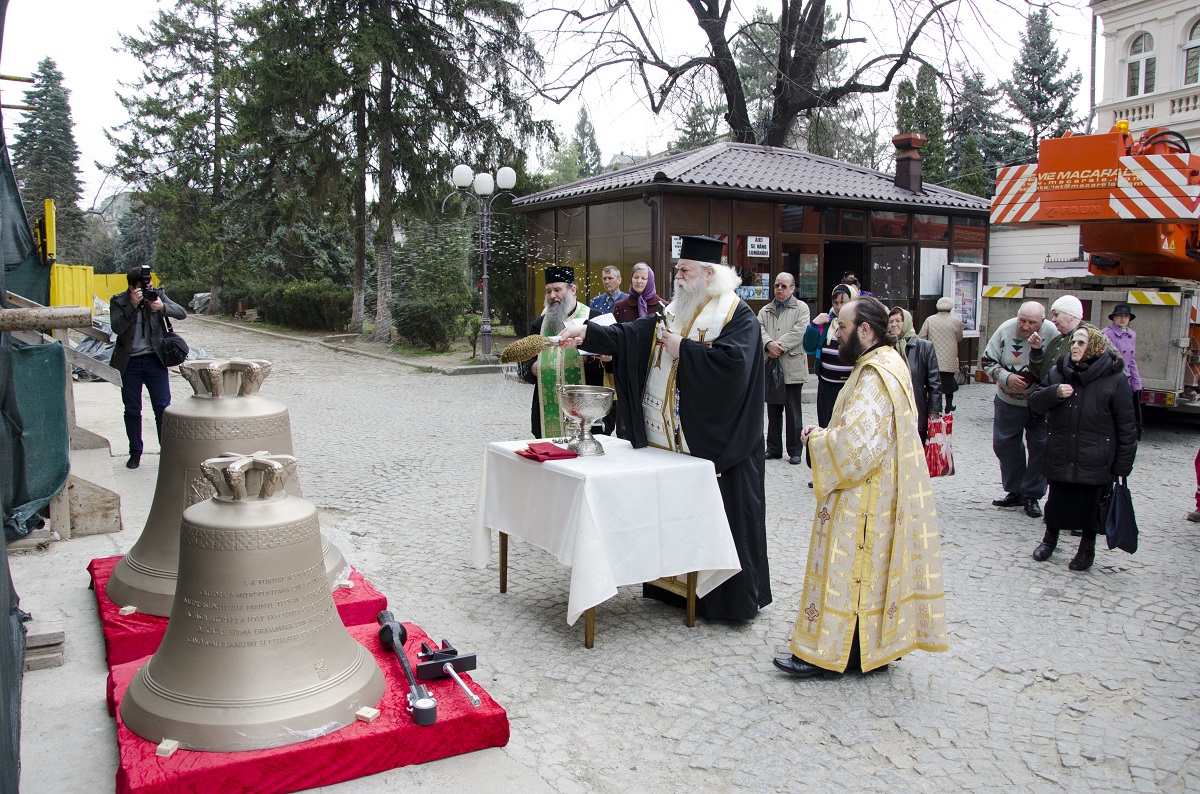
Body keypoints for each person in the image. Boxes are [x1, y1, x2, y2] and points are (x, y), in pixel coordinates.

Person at [556, 235, 771, 621]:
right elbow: (634, 335)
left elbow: (734, 367)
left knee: (726, 517)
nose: (677, 277)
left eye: (684, 270)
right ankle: (674, 592)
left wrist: (684, 351)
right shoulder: (675, 309)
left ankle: (725, 603)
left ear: (709, 274)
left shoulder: (737, 315)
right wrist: (588, 333)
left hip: (719, 443)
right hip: (673, 441)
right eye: (676, 270)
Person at [774, 296, 947, 679]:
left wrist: (816, 440)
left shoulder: (873, 375)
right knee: (871, 575)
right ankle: (869, 648)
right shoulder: (888, 363)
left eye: (842, 327)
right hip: (883, 489)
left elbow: (854, 447)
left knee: (850, 571)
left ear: (864, 331)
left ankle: (831, 654)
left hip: (863, 496)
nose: (836, 334)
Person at [1029, 326, 1137, 571]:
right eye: (1073, 342)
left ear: (1096, 347)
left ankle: (1087, 549)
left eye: (1081, 343)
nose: (1074, 346)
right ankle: (1049, 540)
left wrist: (1122, 465)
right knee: (1056, 502)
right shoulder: (1059, 372)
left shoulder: (1114, 378)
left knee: (1091, 506)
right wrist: (1053, 393)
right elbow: (1034, 403)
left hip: (1095, 457)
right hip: (1061, 451)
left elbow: (1127, 426)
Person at [981, 301, 1057, 519]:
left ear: (1042, 321)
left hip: (1040, 404)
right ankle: (1015, 490)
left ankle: (1033, 494)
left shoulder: (1051, 333)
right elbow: (987, 360)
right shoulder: (1006, 329)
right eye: (1022, 320)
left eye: (1031, 322)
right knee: (1005, 445)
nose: (1025, 326)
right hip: (1008, 401)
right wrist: (1006, 377)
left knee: (1040, 448)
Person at [109, 266, 188, 469]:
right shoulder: (119, 300)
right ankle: (135, 452)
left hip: (155, 360)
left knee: (162, 408)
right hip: (129, 363)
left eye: (149, 286)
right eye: (141, 288)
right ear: (131, 288)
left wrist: (161, 307)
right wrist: (132, 306)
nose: (147, 291)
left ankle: (167, 452)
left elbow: (182, 313)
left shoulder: (157, 296)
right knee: (133, 410)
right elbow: (116, 328)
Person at [517, 266, 603, 438]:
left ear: (572, 290)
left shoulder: (594, 318)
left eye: (557, 290)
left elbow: (609, 365)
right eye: (548, 291)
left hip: (588, 415)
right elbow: (522, 368)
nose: (552, 296)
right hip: (547, 416)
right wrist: (534, 367)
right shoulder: (539, 325)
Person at [758, 273, 810, 464]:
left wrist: (778, 346)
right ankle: (773, 448)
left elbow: (800, 330)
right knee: (773, 410)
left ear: (792, 288)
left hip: (792, 365)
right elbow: (758, 329)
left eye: (784, 286)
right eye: (777, 285)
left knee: (793, 411)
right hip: (771, 365)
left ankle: (795, 450)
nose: (779, 289)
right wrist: (768, 344)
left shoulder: (801, 308)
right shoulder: (765, 310)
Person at [803, 283, 857, 431]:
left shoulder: (858, 325)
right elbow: (808, 347)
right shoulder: (827, 322)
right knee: (826, 425)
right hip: (827, 385)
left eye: (842, 302)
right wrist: (814, 325)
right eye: (835, 303)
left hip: (849, 386)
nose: (838, 307)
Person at [888, 307, 941, 443]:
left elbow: (934, 383)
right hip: (892, 412)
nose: (894, 324)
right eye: (891, 321)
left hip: (917, 410)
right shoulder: (887, 348)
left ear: (906, 322)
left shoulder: (924, 347)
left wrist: (934, 411)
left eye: (898, 321)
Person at [918, 296, 964, 413]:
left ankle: (935, 407)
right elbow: (959, 338)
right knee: (948, 382)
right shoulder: (955, 321)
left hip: (933, 357)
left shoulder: (929, 320)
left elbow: (921, 336)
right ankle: (949, 405)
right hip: (949, 358)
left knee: (933, 383)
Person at [1102, 303, 1142, 437]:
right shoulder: (1106, 334)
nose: (1123, 319)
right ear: (1114, 318)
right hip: (1113, 377)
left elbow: (1131, 360)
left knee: (1125, 412)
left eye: (1126, 316)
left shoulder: (1132, 334)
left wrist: (1137, 383)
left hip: (1127, 379)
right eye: (1119, 316)